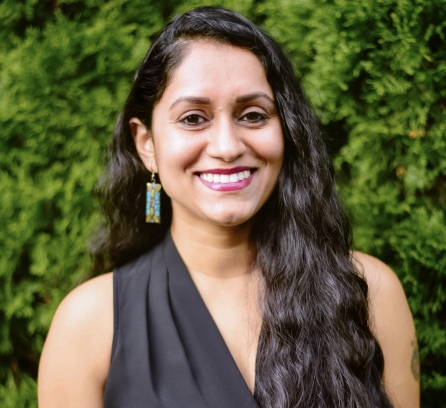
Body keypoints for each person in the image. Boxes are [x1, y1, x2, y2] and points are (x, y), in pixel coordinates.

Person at [38, 6, 419, 408]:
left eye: (253, 115)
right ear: (146, 144)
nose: (227, 146)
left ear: (286, 130)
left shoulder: (369, 294)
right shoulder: (89, 324)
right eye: (193, 118)